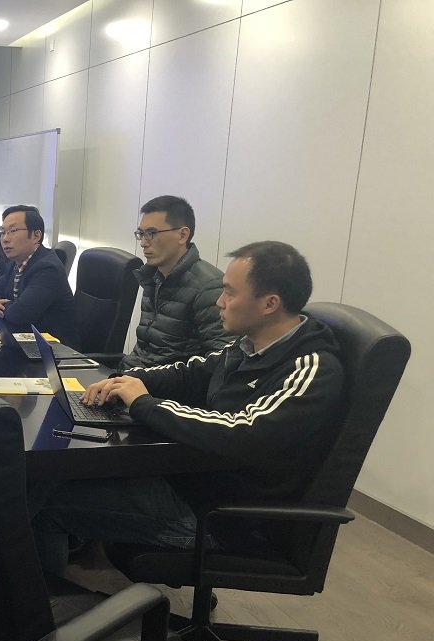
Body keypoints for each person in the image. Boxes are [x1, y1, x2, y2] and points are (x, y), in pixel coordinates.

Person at [33, 241, 344, 575]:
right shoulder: (248, 347)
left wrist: (144, 404)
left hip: (222, 518)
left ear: (270, 304)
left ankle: (45, 603)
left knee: (45, 502)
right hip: (189, 482)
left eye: (229, 293)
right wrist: (126, 380)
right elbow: (189, 372)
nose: (219, 302)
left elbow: (243, 430)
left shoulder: (311, 368)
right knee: (50, 481)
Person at [122, 195, 234, 368]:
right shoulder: (153, 277)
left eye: (151, 233)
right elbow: (145, 350)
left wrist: (140, 379)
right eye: (141, 234)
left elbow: (220, 362)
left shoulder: (209, 288)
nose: (143, 243)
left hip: (161, 383)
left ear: (182, 235)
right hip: (133, 375)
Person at [0, 205, 78, 347]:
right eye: (2, 233)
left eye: (12, 231)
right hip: (24, 341)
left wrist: (0, 307)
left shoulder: (47, 268)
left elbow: (20, 314)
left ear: (36, 236)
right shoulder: (14, 263)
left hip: (53, 350)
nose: (5, 239)